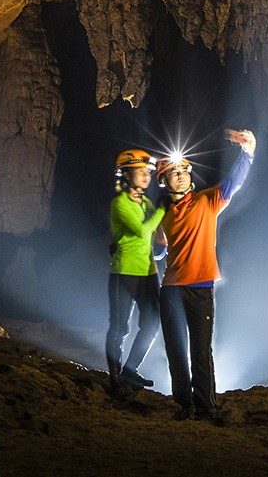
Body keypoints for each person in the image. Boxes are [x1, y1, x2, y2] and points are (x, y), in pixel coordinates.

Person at [156, 128, 257, 423]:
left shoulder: (207, 201)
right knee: (175, 349)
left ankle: (204, 408)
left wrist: (248, 151)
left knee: (200, 350)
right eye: (173, 172)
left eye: (184, 170)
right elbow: (159, 252)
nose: (181, 175)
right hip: (171, 288)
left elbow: (233, 183)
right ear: (164, 180)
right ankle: (183, 404)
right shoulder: (162, 216)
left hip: (200, 287)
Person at [105, 148, 165, 396]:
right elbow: (142, 231)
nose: (146, 176)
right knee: (120, 327)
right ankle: (115, 379)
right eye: (141, 171)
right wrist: (162, 209)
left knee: (152, 322)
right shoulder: (120, 203)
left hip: (148, 272)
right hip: (124, 274)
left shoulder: (147, 202)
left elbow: (155, 233)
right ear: (126, 174)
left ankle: (131, 369)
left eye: (148, 172)